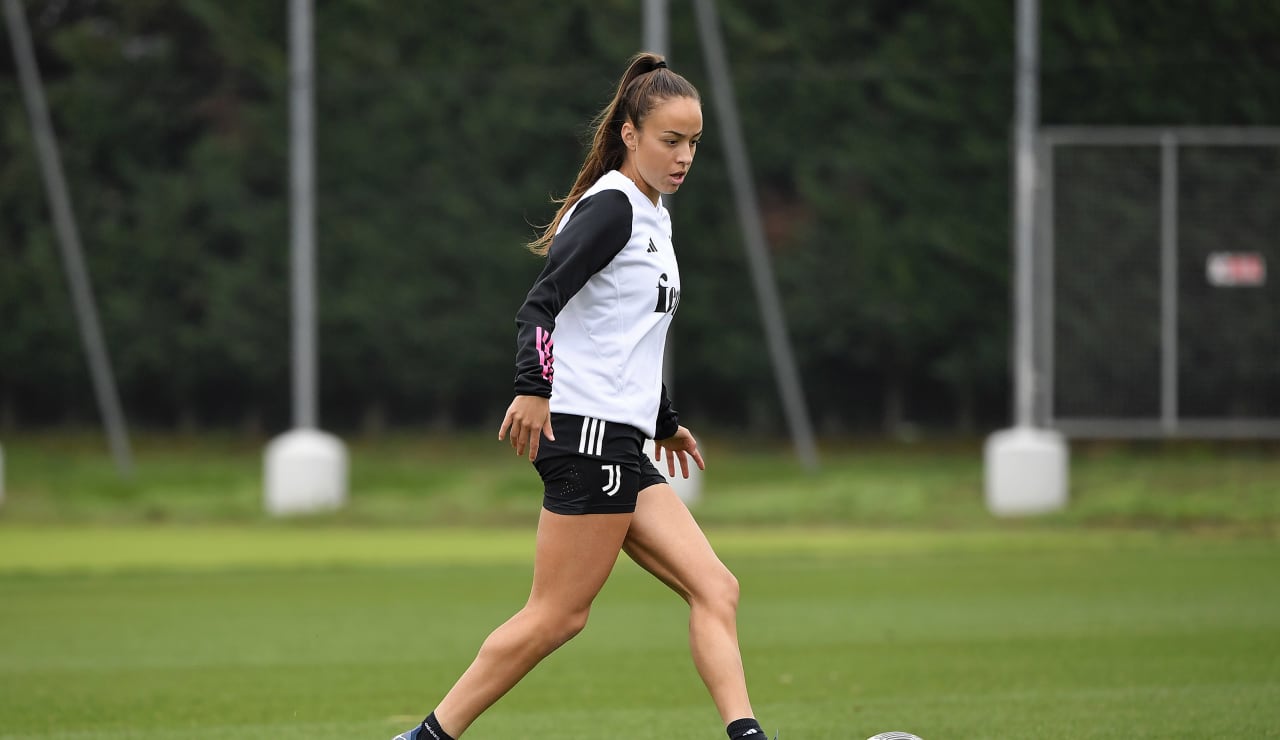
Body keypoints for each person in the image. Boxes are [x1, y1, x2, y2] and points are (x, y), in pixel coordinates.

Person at [395, 52, 770, 740]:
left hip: (621, 437)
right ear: (630, 134)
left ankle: (748, 736)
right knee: (559, 614)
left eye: (693, 143)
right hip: (585, 434)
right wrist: (533, 388)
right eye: (670, 141)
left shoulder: (654, 218)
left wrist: (665, 422)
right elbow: (540, 307)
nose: (684, 156)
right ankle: (423, 738)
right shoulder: (612, 209)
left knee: (717, 588)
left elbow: (622, 338)